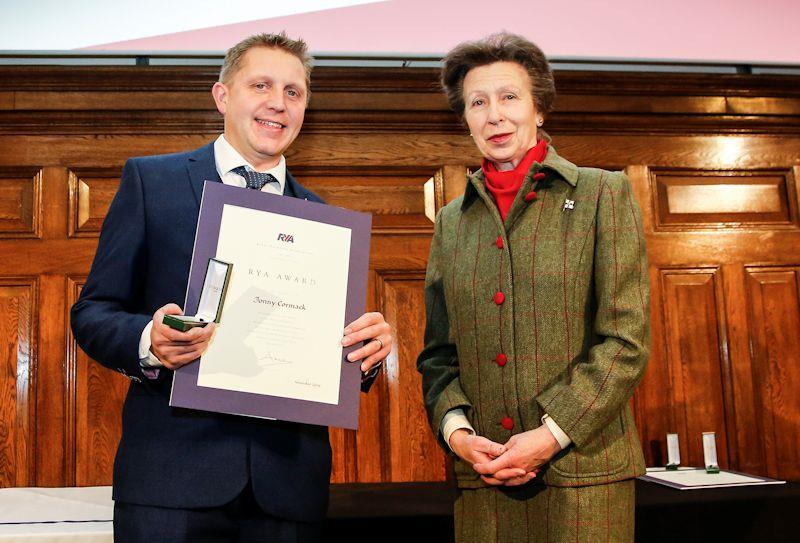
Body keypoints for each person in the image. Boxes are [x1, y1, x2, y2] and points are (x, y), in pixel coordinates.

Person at [71, 32, 393, 543]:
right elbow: (93, 311)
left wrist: (367, 352)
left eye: (294, 92)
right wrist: (147, 342)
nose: (277, 104)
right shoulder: (152, 183)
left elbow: (327, 356)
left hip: (288, 489)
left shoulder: (327, 222)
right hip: (170, 483)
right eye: (261, 85)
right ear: (222, 96)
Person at [417, 32, 650, 542]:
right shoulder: (452, 221)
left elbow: (625, 342)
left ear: (539, 109)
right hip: (484, 482)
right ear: (466, 119)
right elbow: (438, 355)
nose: (494, 115)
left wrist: (550, 435)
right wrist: (458, 435)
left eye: (509, 97)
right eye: (478, 103)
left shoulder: (602, 194)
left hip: (585, 480)